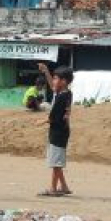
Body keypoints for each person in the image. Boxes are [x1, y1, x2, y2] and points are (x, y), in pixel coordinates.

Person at [38, 63, 73, 197]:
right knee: (56, 160)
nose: (53, 81)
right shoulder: (67, 93)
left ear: (63, 81)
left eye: (56, 78)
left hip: (58, 132)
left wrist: (40, 121)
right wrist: (46, 71)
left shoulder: (60, 97)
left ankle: (52, 188)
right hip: (63, 131)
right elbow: (53, 87)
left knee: (55, 162)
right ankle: (63, 186)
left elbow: (52, 117)